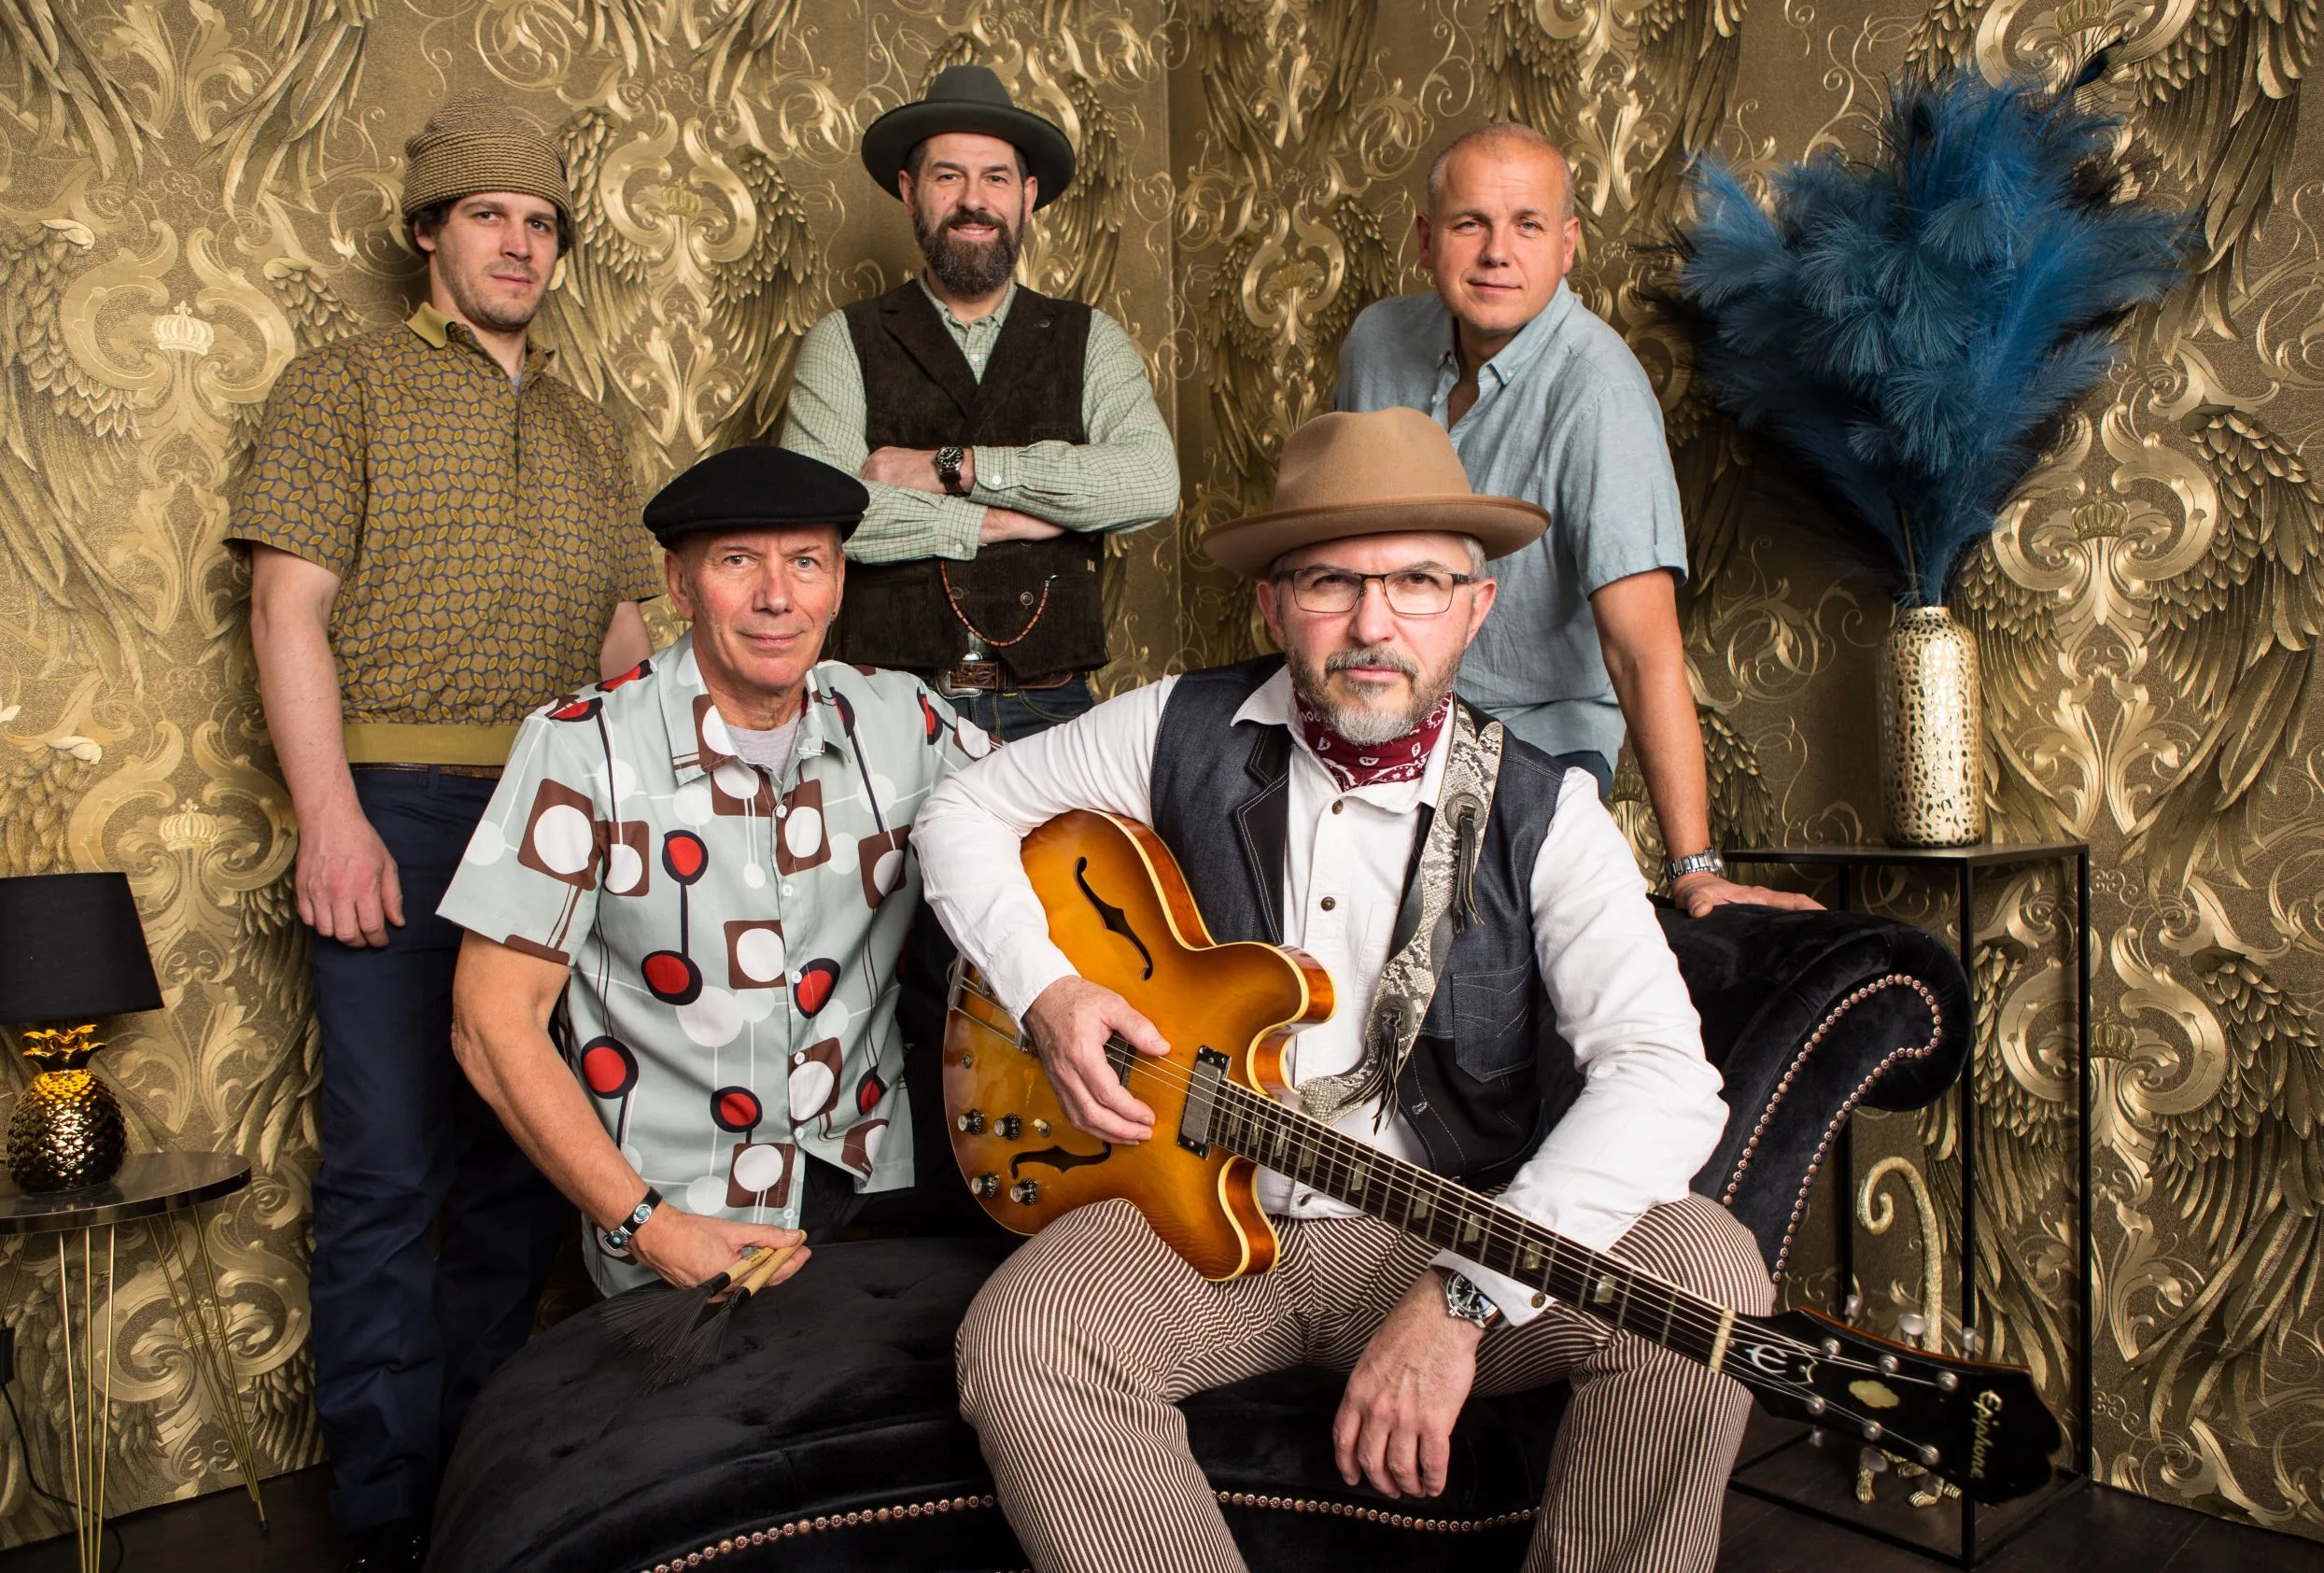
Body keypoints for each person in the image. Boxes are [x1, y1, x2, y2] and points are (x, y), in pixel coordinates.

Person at [914, 407, 1772, 1573]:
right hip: (1196, 1209)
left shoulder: (1548, 813)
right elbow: (959, 809)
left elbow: (1662, 1078)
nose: (1372, 624)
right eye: (1329, 582)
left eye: (1416, 581)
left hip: (1442, 1225)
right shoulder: (1175, 725)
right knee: (1026, 1340)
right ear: (1272, 606)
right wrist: (1048, 990)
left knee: (1704, 1272)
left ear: (1475, 605)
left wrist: (1462, 1296)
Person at [228, 92, 663, 1571]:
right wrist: (331, 818)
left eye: (541, 223)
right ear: (430, 232)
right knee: (386, 1168)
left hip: (559, 819)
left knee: (520, 1161)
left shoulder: (591, 423)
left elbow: (622, 645)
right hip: (400, 808)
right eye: (490, 216)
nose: (520, 244)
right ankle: (384, 1510)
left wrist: (645, 825)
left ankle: (483, 1479)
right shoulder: (338, 388)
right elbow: (285, 609)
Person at [439, 447, 989, 1307]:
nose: (777, 596)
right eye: (738, 562)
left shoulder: (902, 719)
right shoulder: (580, 747)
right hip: (681, 1217)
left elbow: (1051, 809)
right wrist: (648, 1227)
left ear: (838, 583)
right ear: (680, 584)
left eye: (804, 563)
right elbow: (489, 1023)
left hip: (868, 1184)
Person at [1335, 122, 1813, 920]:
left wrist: (1694, 867)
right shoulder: (1376, 342)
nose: (1496, 253)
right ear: (1425, 239)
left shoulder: (1600, 393)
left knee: (1438, 943)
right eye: (1469, 223)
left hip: (1530, 743)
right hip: (1378, 720)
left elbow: (1641, 651)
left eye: (1527, 225)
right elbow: (1334, 547)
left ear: (1566, 246)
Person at [781, 63, 1177, 743]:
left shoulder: (1092, 339)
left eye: (995, 178)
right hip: (883, 708)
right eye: (947, 176)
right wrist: (1000, 520)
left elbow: (1150, 481)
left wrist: (956, 467)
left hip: (1049, 708)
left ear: (1027, 196)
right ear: (910, 192)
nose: (973, 199)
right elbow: (815, 521)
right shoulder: (841, 341)